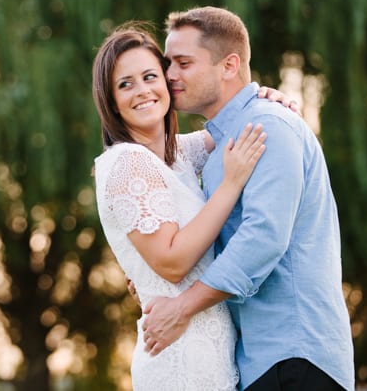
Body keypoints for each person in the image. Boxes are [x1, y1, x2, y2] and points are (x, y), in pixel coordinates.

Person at [141, 6, 354, 390]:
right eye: (167, 63)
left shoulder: (267, 126)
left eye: (183, 63)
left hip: (296, 356)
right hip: (260, 361)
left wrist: (182, 308)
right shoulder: (224, 140)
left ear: (229, 65)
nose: (170, 75)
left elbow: (264, 237)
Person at [91, 22, 291, 390]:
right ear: (111, 101)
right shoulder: (125, 163)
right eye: (125, 84)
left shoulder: (177, 155)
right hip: (177, 361)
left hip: (214, 359)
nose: (143, 91)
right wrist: (230, 186)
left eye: (151, 76)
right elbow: (171, 262)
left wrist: (262, 98)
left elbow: (230, 123)